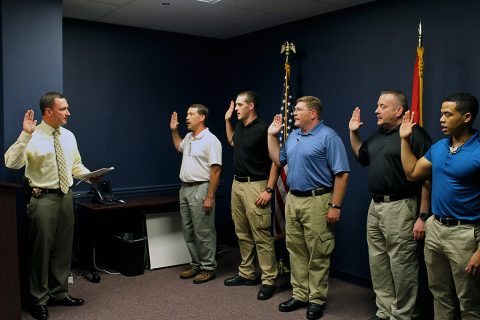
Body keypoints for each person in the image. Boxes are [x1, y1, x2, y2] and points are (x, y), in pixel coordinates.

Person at [4, 92, 96, 320]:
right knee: (41, 252)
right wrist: (24, 136)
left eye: (67, 108)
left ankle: (59, 292)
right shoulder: (32, 136)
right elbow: (11, 163)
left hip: (65, 197)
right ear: (48, 112)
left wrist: (89, 175)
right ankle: (39, 299)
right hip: (41, 199)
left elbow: (75, 165)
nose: (68, 113)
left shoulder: (69, 136)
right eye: (63, 109)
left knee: (63, 249)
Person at [348, 89, 432, 320]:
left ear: (399, 111)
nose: (376, 110)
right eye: (377, 105)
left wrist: (423, 216)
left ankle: (404, 314)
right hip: (375, 207)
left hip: (401, 206)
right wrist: (353, 133)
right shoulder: (377, 134)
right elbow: (361, 156)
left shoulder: (415, 134)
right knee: (378, 262)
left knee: (402, 264)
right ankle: (385, 311)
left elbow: (427, 177)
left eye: (383, 106)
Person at [268, 96, 350, 320]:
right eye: (294, 109)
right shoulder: (293, 135)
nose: (293, 113)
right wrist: (271, 136)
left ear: (313, 114)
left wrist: (335, 205)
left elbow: (342, 174)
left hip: (318, 200)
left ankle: (316, 300)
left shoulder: (329, 137)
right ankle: (300, 294)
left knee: (318, 252)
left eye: (298, 110)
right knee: (295, 250)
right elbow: (278, 160)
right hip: (293, 199)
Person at [400, 92, 480, 319]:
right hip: (436, 230)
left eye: (447, 114)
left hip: (466, 234)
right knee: (439, 293)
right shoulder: (439, 147)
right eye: (441, 114)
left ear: (466, 117)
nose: (441, 119)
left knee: (469, 301)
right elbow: (412, 172)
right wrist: (405, 139)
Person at [224, 90, 279, 301]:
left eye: (239, 105)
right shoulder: (240, 125)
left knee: (261, 236)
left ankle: (268, 280)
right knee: (242, 232)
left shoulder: (264, 129)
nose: (236, 108)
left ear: (251, 106)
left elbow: (276, 160)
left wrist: (269, 189)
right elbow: (232, 142)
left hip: (257, 185)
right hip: (237, 185)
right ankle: (247, 273)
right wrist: (228, 120)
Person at [170, 104, 221, 284]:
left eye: (191, 114)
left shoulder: (211, 140)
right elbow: (179, 147)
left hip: (201, 188)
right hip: (185, 189)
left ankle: (208, 267)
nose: (187, 117)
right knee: (189, 231)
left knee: (204, 231)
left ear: (202, 117)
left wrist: (210, 196)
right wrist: (174, 131)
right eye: (187, 114)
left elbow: (215, 171)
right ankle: (196, 264)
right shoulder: (190, 138)